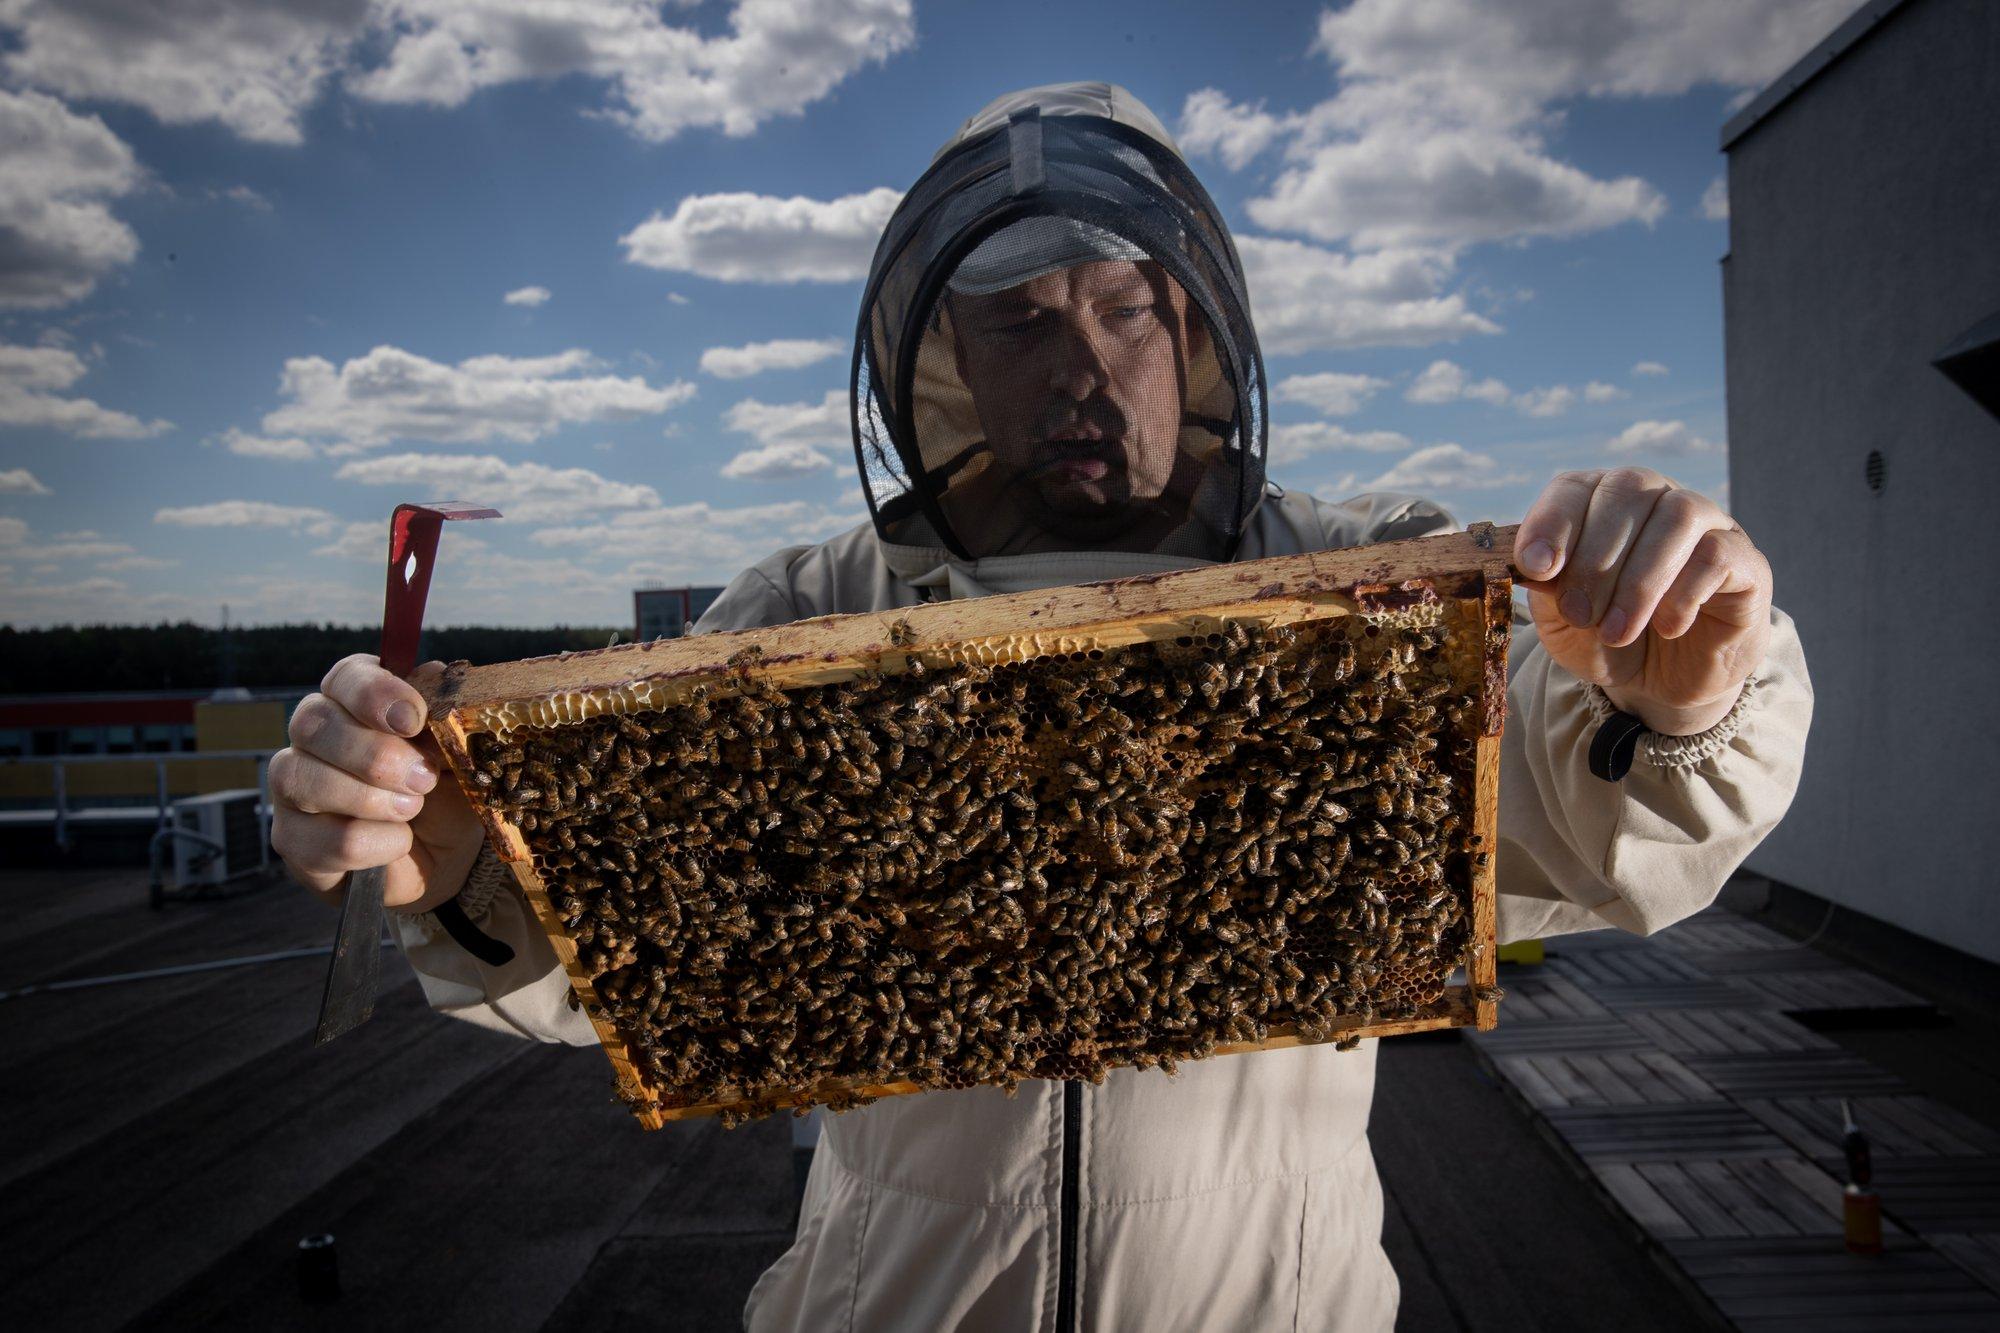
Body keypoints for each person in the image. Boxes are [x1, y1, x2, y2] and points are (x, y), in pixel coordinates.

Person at [271, 83, 1811, 1331]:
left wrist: (1685, 695)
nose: (1081, 368)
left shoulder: (1370, 595)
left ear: (1194, 329)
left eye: (1121, 310)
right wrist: (457, 860)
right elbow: (634, 961)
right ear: (944, 358)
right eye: (1018, 323)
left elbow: (1597, 815)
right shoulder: (809, 615)